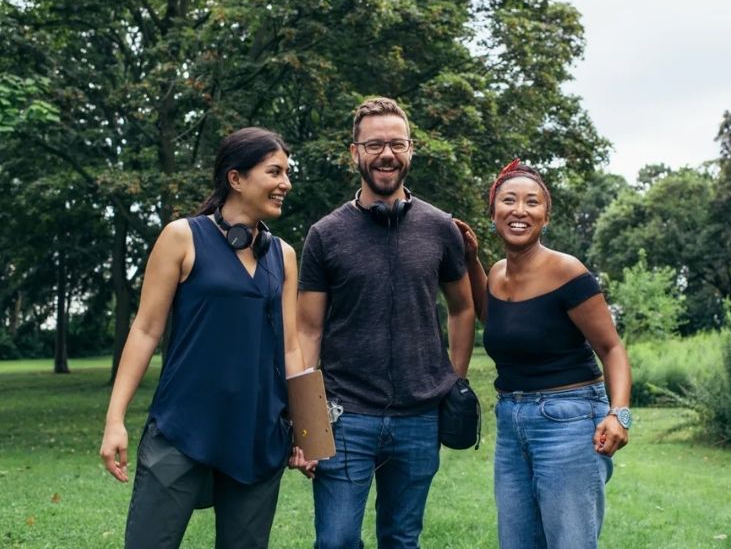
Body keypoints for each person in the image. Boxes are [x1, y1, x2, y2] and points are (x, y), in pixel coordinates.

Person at [99, 127, 305, 548]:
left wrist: (309, 431)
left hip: (258, 434)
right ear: (236, 178)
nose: (286, 183)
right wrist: (114, 419)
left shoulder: (284, 256)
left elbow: (291, 345)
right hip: (182, 426)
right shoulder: (181, 237)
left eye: (287, 172)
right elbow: (145, 329)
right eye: (275, 172)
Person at [296, 97, 475, 549]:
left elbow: (462, 308)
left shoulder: (440, 228)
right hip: (345, 416)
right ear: (354, 152)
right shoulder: (325, 234)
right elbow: (307, 331)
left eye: (397, 143)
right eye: (374, 144)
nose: (387, 154)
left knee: (401, 539)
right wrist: (308, 424)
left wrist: (454, 381)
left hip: (419, 418)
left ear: (411, 149)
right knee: (335, 542)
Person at [454, 158, 632, 549]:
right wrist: (470, 258)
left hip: (569, 420)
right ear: (493, 211)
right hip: (511, 419)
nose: (520, 210)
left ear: (545, 216)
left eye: (532, 202)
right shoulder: (498, 272)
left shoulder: (567, 272)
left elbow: (611, 348)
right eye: (509, 201)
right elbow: (491, 314)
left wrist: (619, 414)